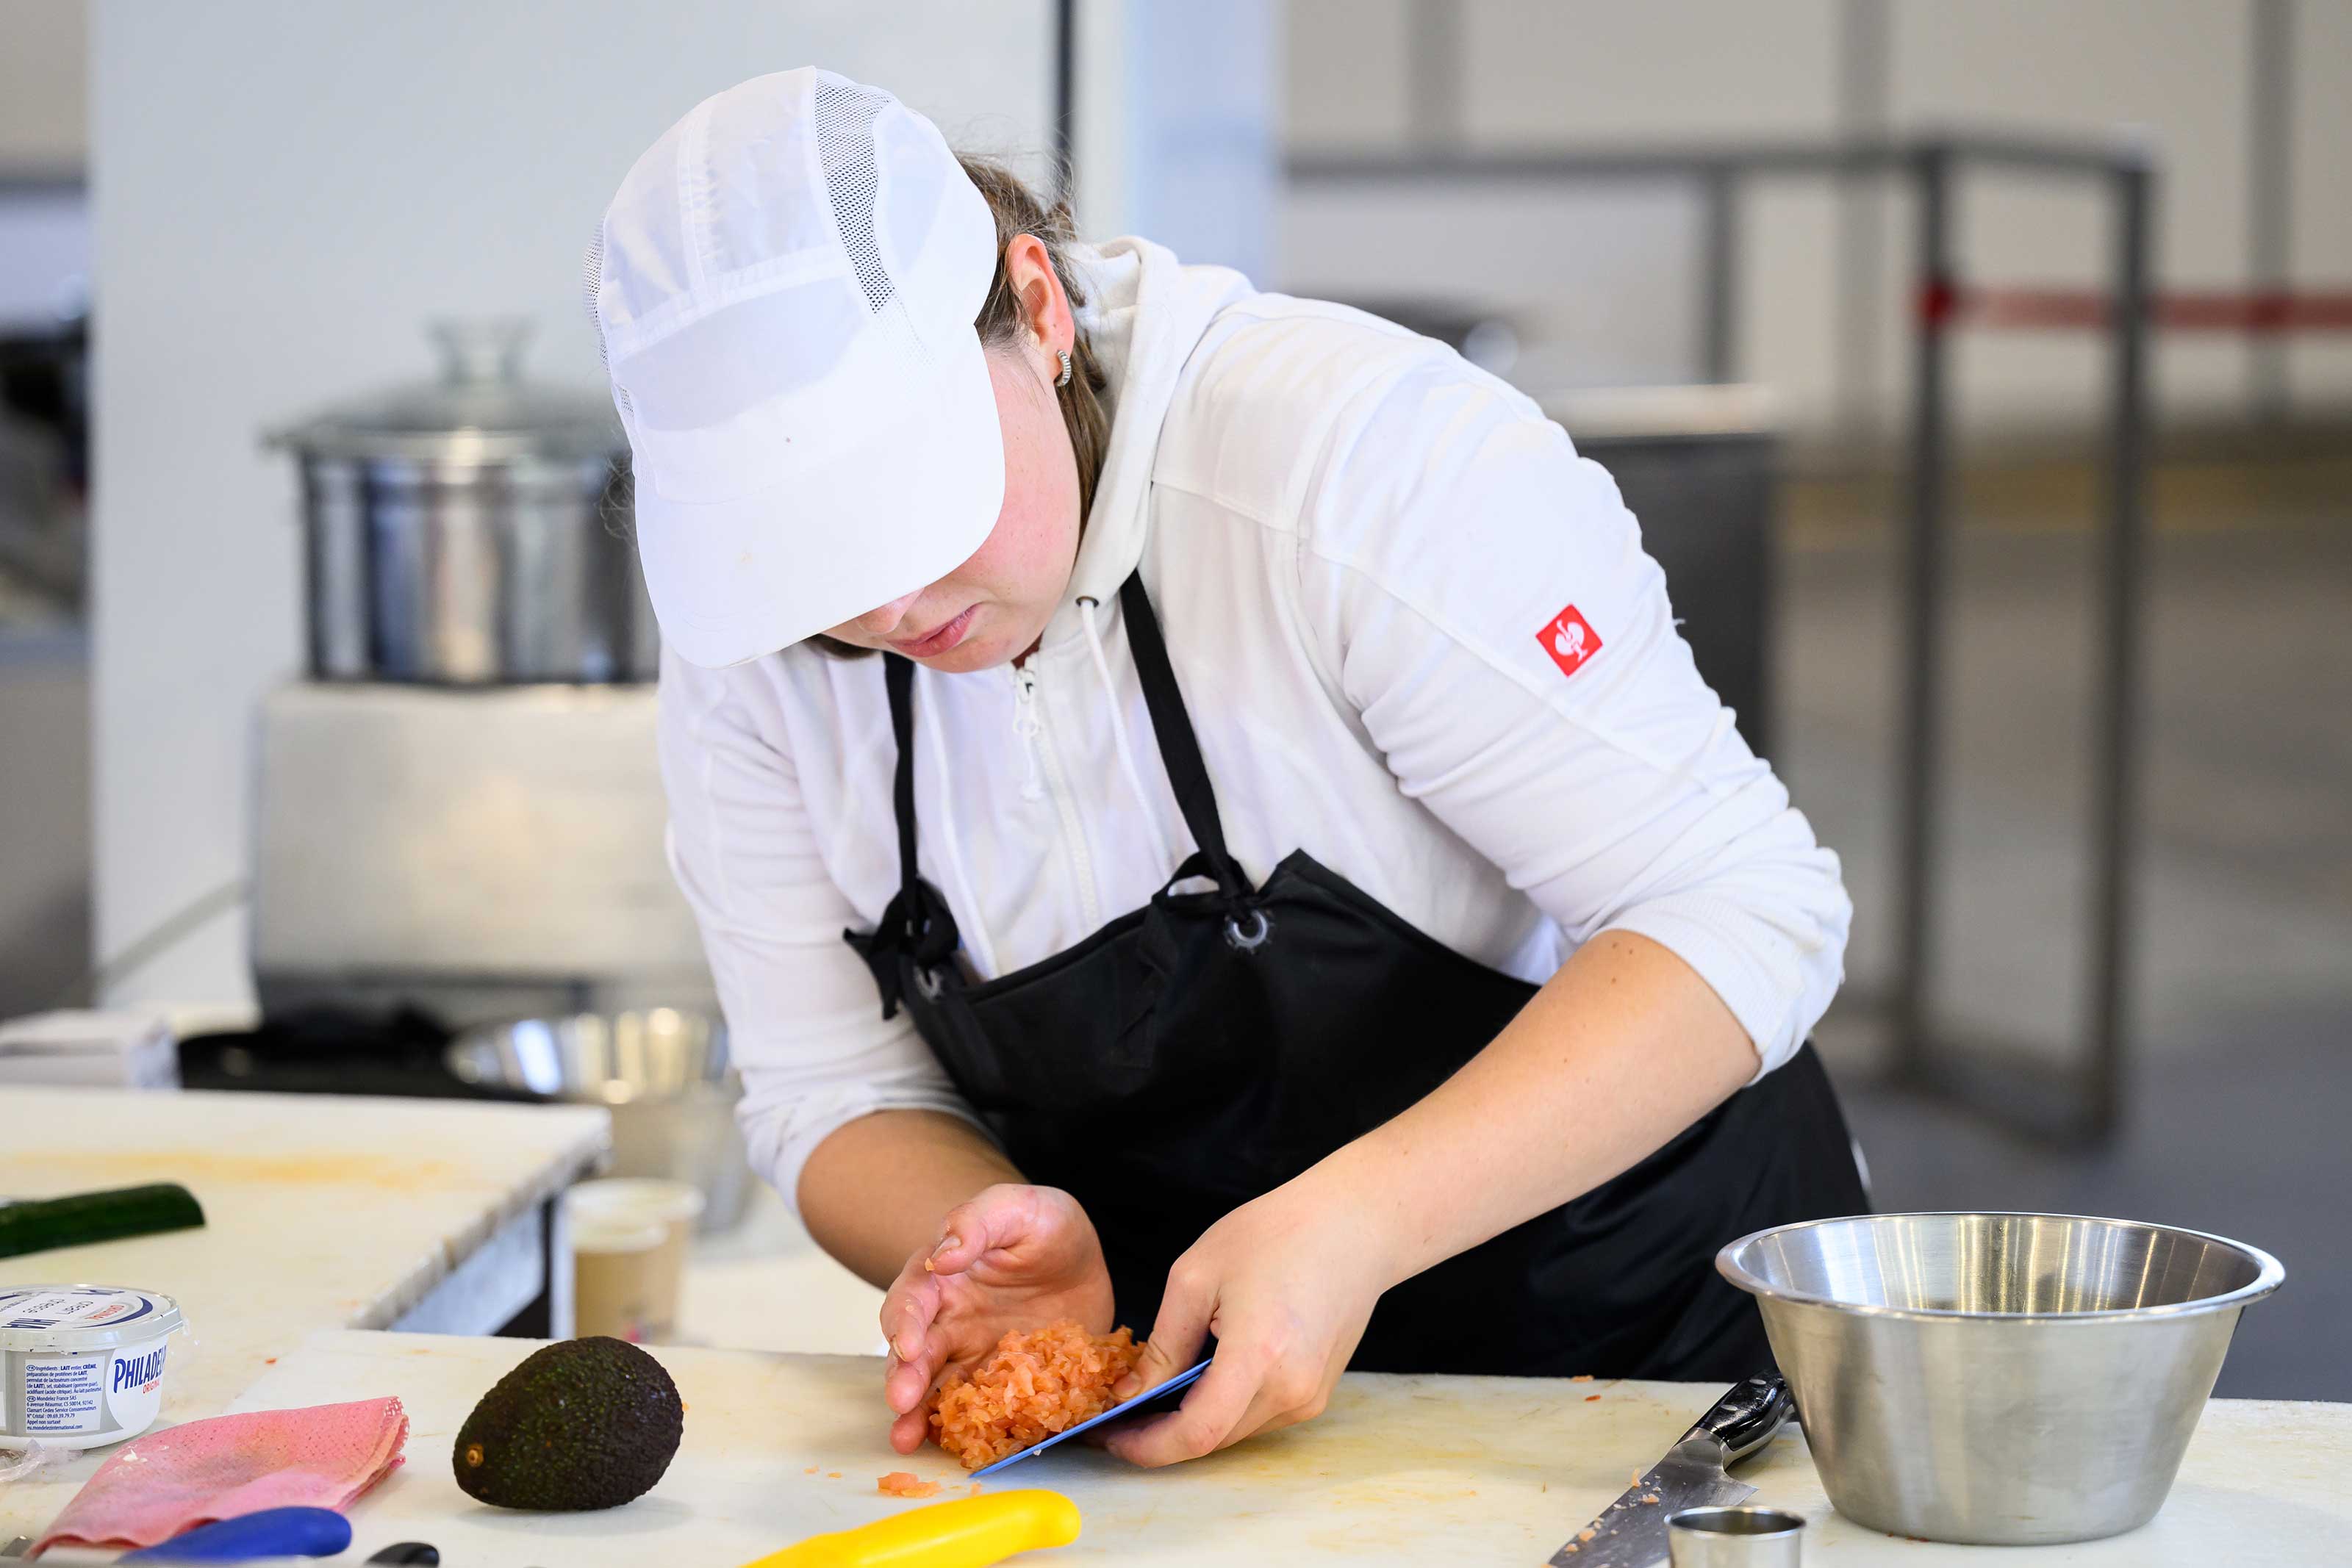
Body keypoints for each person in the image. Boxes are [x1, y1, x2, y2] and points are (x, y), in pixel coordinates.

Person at [588, 68, 1868, 1469]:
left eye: (913, 500)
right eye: (811, 563)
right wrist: (993, 1237)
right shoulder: (759, 653)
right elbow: (830, 1091)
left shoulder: (1352, 467)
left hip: (1650, 1382)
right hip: (1221, 1450)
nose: (888, 605)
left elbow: (1744, 904)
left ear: (1039, 305)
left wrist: (1362, 1217)